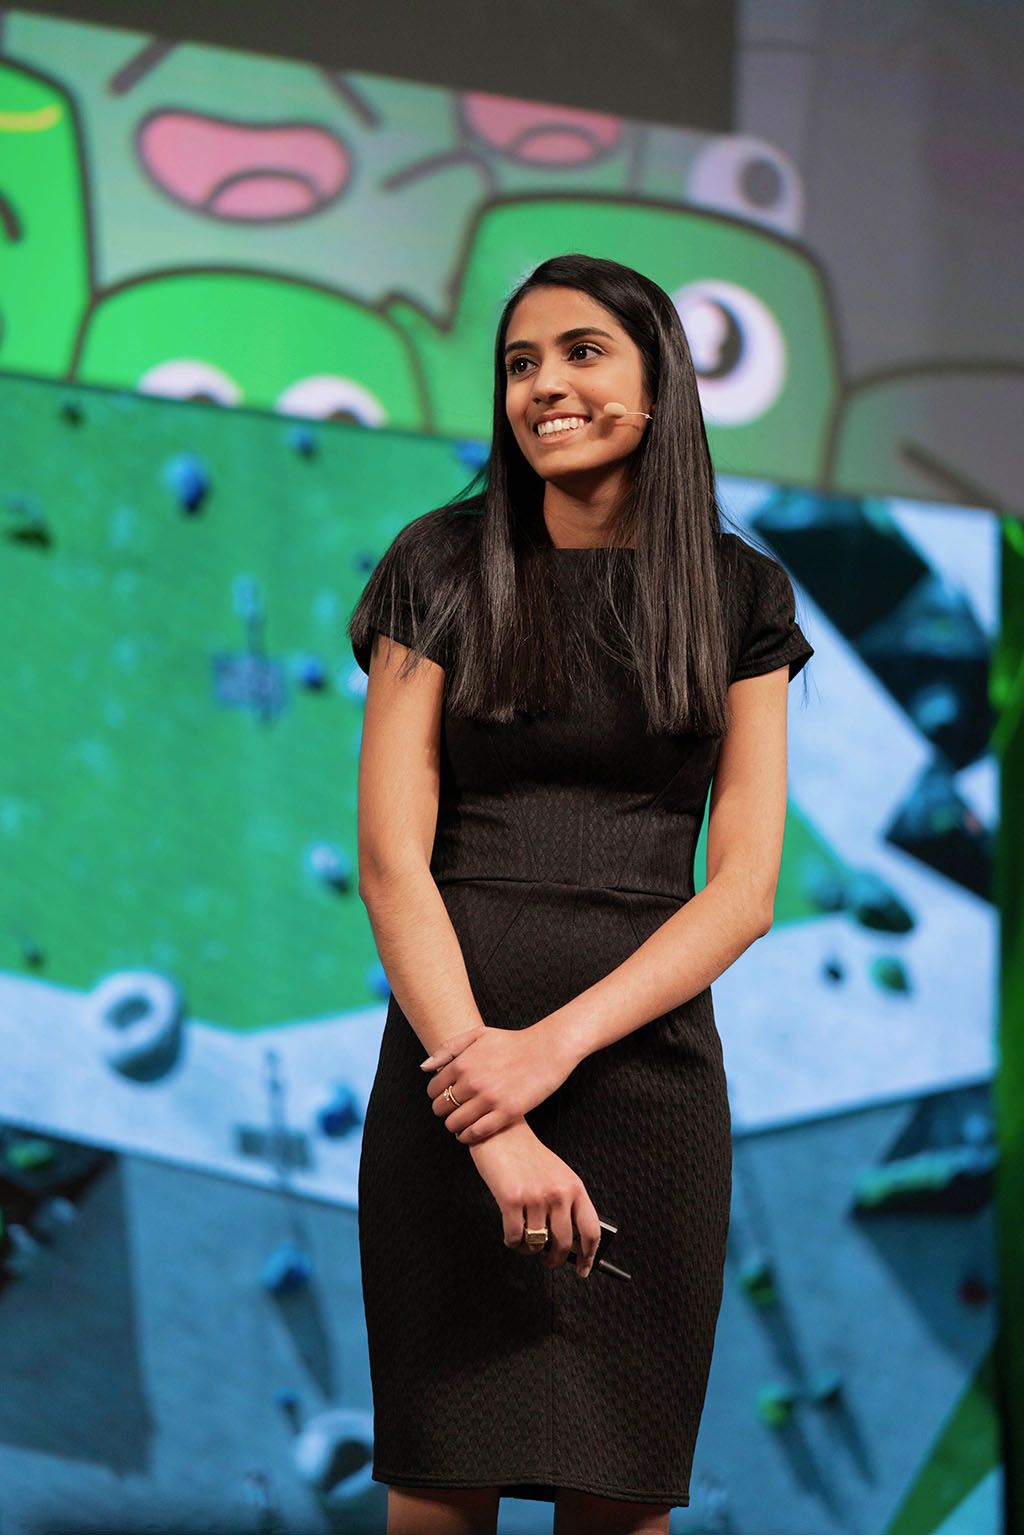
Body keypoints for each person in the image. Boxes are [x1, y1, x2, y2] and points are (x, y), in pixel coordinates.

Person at [348, 253, 813, 1535]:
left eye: (581, 352)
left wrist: (547, 1052)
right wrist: (488, 1111)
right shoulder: (434, 563)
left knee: (622, 1482)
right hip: (454, 1084)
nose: (544, 384)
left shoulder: (737, 594)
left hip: (642, 1086)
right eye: (519, 362)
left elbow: (745, 887)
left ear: (658, 385)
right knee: (440, 1481)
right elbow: (393, 863)